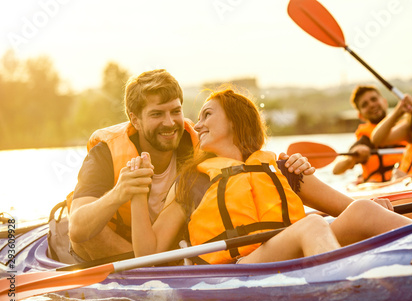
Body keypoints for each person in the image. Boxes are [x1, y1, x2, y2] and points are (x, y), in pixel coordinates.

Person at [129, 88, 412, 264]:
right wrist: (137, 194)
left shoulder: (281, 167)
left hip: (296, 253)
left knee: (364, 208)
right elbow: (148, 254)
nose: (197, 125)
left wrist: (377, 205)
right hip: (244, 267)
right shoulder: (192, 180)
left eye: (206, 115)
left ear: (235, 120)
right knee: (312, 224)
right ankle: (348, 289)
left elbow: (349, 208)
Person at [67, 70, 313, 262]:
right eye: (156, 114)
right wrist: (120, 193)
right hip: (123, 243)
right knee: (90, 234)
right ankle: (153, 271)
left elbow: (244, 159)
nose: (169, 123)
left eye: (175, 111)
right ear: (135, 120)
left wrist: (292, 167)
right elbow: (77, 228)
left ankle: (161, 266)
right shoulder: (105, 154)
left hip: (167, 242)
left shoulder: (201, 145)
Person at [332, 85, 410, 183]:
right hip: (379, 186)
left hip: (409, 180)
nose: (371, 105)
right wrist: (352, 158)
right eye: (365, 105)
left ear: (385, 102)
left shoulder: (405, 129)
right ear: (361, 115)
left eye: (374, 99)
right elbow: (336, 170)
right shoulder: (365, 140)